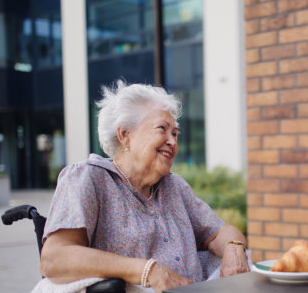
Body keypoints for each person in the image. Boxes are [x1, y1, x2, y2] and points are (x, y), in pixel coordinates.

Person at [38, 80, 250, 292]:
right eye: (162, 129)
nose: (172, 142)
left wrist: (234, 248)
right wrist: (148, 271)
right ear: (124, 135)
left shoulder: (174, 187)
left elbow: (219, 231)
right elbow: (54, 259)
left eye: (175, 134)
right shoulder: (89, 178)